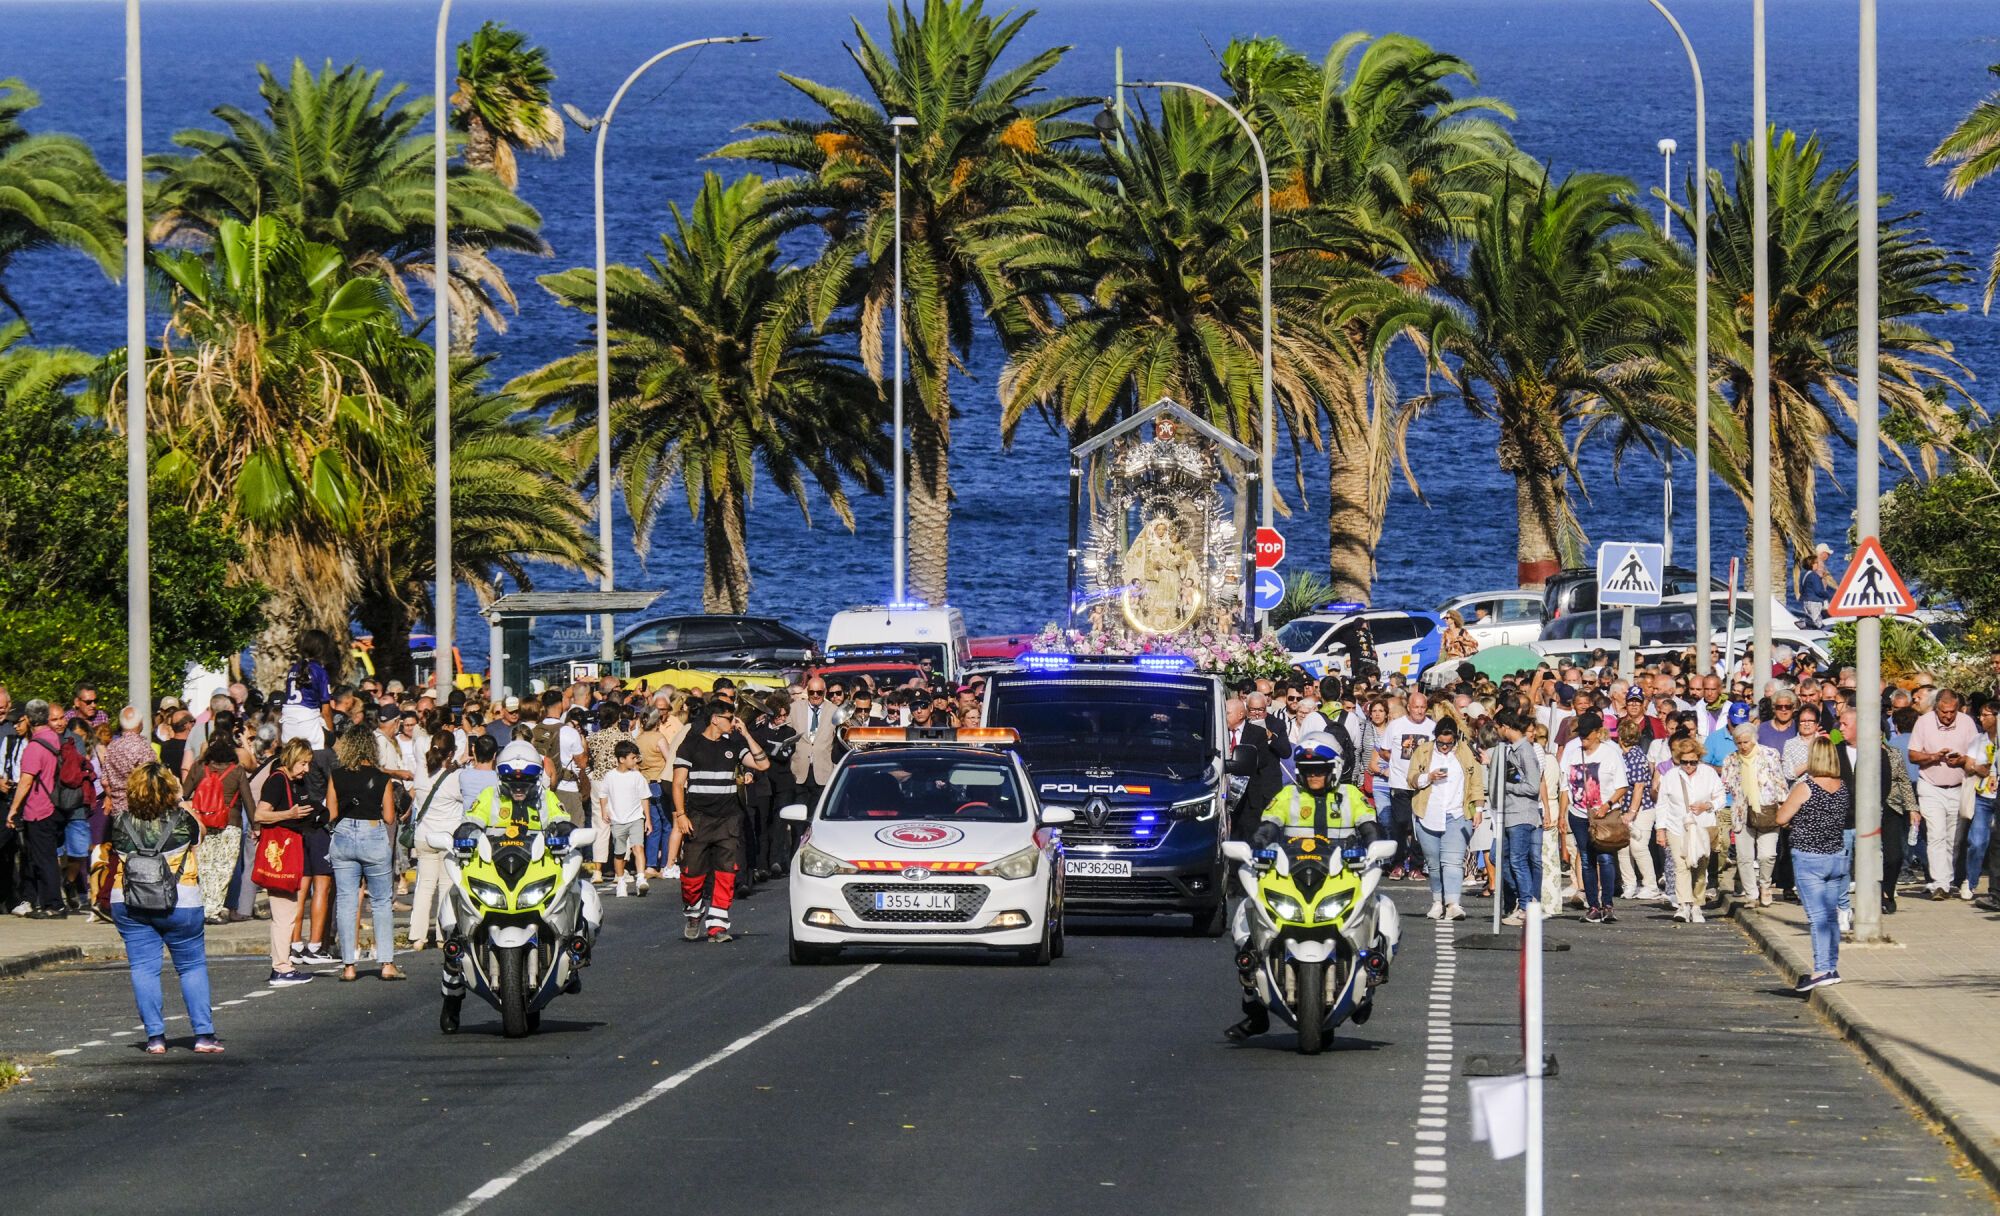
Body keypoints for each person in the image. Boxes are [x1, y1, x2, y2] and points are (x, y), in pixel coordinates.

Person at [1228, 730, 1376, 1041]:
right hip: (1293, 879)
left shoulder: (1351, 796)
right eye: (1308, 771)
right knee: (1245, 917)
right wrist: (1258, 846)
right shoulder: (1287, 797)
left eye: (1320, 770)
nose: (1314, 776)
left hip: (1341, 878)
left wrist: (1375, 846)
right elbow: (1267, 827)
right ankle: (1253, 1007)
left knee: (1382, 910)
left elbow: (1370, 827)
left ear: (1334, 769)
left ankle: (1371, 977)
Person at [109, 762, 222, 1053]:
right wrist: (181, 799)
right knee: (191, 966)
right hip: (180, 900)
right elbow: (202, 833)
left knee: (144, 968)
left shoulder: (120, 822)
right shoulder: (183, 819)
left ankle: (156, 1038)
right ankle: (204, 1035)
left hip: (129, 899)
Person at [672, 699, 770, 944]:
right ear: (715, 718)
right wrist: (681, 815)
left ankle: (717, 925)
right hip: (698, 818)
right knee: (692, 875)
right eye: (729, 717)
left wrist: (746, 734)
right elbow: (677, 783)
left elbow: (763, 764)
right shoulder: (691, 744)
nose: (733, 722)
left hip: (728, 819)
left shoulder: (734, 744)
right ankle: (694, 913)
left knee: (726, 873)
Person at [325, 725, 404, 983]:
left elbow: (332, 813)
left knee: (347, 901)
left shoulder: (336, 776)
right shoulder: (382, 779)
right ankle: (387, 963)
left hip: (344, 834)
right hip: (373, 833)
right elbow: (390, 817)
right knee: (381, 902)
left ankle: (349, 965)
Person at [1776, 737, 1851, 991]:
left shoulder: (1805, 787)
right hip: (1836, 857)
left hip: (1810, 857)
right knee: (1830, 916)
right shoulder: (1842, 787)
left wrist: (1790, 817)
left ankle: (1821, 969)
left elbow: (1781, 817)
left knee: (1818, 917)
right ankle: (1831, 966)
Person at [1907, 689, 1981, 900]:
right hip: (1930, 786)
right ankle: (1940, 883)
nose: (1948, 716)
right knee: (1936, 834)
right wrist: (1932, 757)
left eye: (1952, 712)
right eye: (1944, 712)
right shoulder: (1923, 722)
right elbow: (1912, 754)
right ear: (1936, 708)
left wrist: (1962, 760)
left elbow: (1976, 755)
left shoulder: (1966, 723)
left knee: (1954, 838)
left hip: (1959, 786)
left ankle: (1947, 880)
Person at [1408, 717, 1485, 921]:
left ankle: (1453, 904)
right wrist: (1428, 777)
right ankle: (1437, 902)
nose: (1444, 747)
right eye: (1441, 743)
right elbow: (1412, 778)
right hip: (1428, 814)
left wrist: (1478, 808)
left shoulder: (1465, 752)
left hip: (1457, 814)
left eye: (1448, 744)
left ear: (1455, 740)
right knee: (1433, 863)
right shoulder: (1423, 751)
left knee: (1452, 861)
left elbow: (1476, 780)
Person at [254, 739, 317, 985]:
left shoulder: (287, 780)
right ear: (291, 759)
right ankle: (281, 966)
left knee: (286, 911)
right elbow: (260, 814)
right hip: (280, 851)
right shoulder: (278, 781)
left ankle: (282, 963)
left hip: (287, 850)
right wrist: (289, 814)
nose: (306, 769)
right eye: (303, 763)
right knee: (284, 913)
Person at [1558, 711, 1630, 924]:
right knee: (1586, 858)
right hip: (1578, 814)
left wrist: (1607, 804)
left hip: (1603, 816)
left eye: (1587, 736)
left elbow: (1622, 786)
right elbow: (1565, 788)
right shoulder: (1572, 754)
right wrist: (1562, 814)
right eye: (1581, 736)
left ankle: (1608, 904)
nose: (1584, 740)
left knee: (1605, 858)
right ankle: (1593, 905)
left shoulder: (1610, 754)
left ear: (1599, 733)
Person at [1654, 736, 1724, 923]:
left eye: (1693, 762)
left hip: (1702, 826)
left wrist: (1707, 805)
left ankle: (1697, 905)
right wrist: (1660, 829)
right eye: (1685, 762)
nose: (1689, 766)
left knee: (1700, 867)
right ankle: (1684, 905)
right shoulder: (1670, 776)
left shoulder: (1708, 773)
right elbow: (1662, 804)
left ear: (1699, 758)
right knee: (1681, 865)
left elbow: (1721, 797)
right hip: (1676, 826)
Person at [406, 733, 464, 949]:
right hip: (447, 838)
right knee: (446, 888)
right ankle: (443, 935)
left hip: (423, 836)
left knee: (424, 887)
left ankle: (418, 936)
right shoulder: (456, 777)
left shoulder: (420, 772)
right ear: (451, 753)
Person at [1721, 723, 1787, 908]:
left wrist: (1783, 806)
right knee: (1744, 857)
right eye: (1739, 742)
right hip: (1742, 812)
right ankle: (1751, 894)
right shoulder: (1731, 760)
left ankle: (1765, 885)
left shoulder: (1769, 754)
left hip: (1767, 809)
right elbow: (1725, 785)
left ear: (1754, 739)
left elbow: (1780, 781)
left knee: (1767, 855)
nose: (1743, 746)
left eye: (1746, 742)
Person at [187, 736, 250, 924]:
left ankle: (206, 906)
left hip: (203, 823)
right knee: (224, 868)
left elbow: (184, 793)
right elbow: (248, 800)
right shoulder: (237, 771)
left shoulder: (199, 768)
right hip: (231, 823)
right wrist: (255, 826)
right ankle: (213, 909)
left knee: (205, 866)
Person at [1493, 709, 1546, 927]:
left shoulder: (1525, 750)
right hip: (1509, 813)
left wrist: (1505, 786)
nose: (1497, 732)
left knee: (1517, 860)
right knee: (1500, 858)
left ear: (1505, 726)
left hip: (1522, 814)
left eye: (1497, 728)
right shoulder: (1510, 750)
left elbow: (1533, 786)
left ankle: (1526, 906)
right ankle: (1522, 899)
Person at [1378, 692, 1436, 879]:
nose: (1419, 711)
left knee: (1420, 825)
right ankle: (1398, 864)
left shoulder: (1432, 727)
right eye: (1416, 707)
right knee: (1401, 823)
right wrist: (1395, 762)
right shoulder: (1396, 726)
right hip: (1400, 782)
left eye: (1422, 707)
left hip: (1423, 784)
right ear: (1409, 707)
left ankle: (1416, 866)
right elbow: (1384, 751)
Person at [1614, 716, 1662, 903]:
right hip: (1626, 808)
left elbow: (1639, 787)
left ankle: (1650, 885)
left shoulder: (1634, 757)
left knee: (1638, 846)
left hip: (1642, 808)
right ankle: (1630, 884)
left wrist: (1631, 813)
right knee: (1622, 847)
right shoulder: (1624, 756)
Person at [602, 741, 652, 897]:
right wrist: (604, 811)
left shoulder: (637, 776)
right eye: (632, 758)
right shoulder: (610, 776)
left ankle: (641, 878)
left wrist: (647, 819)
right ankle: (621, 881)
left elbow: (644, 798)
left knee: (638, 848)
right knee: (619, 853)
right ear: (622, 759)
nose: (635, 760)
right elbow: (603, 795)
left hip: (636, 818)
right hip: (617, 820)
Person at [280, 629, 339, 748]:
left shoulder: (294, 669)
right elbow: (326, 711)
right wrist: (331, 735)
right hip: (308, 727)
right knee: (340, 747)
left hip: (288, 727)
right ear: (323, 650)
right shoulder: (320, 672)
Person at [1800, 544, 1836, 628]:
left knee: (1809, 622)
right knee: (1817, 623)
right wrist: (1828, 595)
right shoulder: (1815, 574)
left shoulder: (1804, 574)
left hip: (1806, 601)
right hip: (1815, 601)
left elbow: (1801, 589)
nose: (1828, 556)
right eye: (1827, 554)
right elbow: (1818, 590)